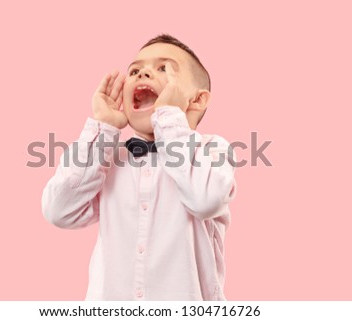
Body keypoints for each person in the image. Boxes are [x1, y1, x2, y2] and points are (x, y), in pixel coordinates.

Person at [42, 34, 236, 300]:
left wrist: (168, 116)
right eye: (135, 70)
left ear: (197, 100)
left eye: (163, 68)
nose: (143, 72)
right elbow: (59, 210)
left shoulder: (212, 149)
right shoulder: (108, 158)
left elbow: (206, 200)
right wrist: (103, 128)